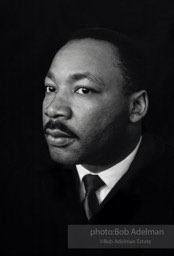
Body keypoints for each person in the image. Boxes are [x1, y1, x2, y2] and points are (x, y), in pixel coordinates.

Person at [2, 28, 174, 255]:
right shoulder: (16, 187)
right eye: (50, 88)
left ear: (136, 107)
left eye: (83, 90)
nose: (53, 108)